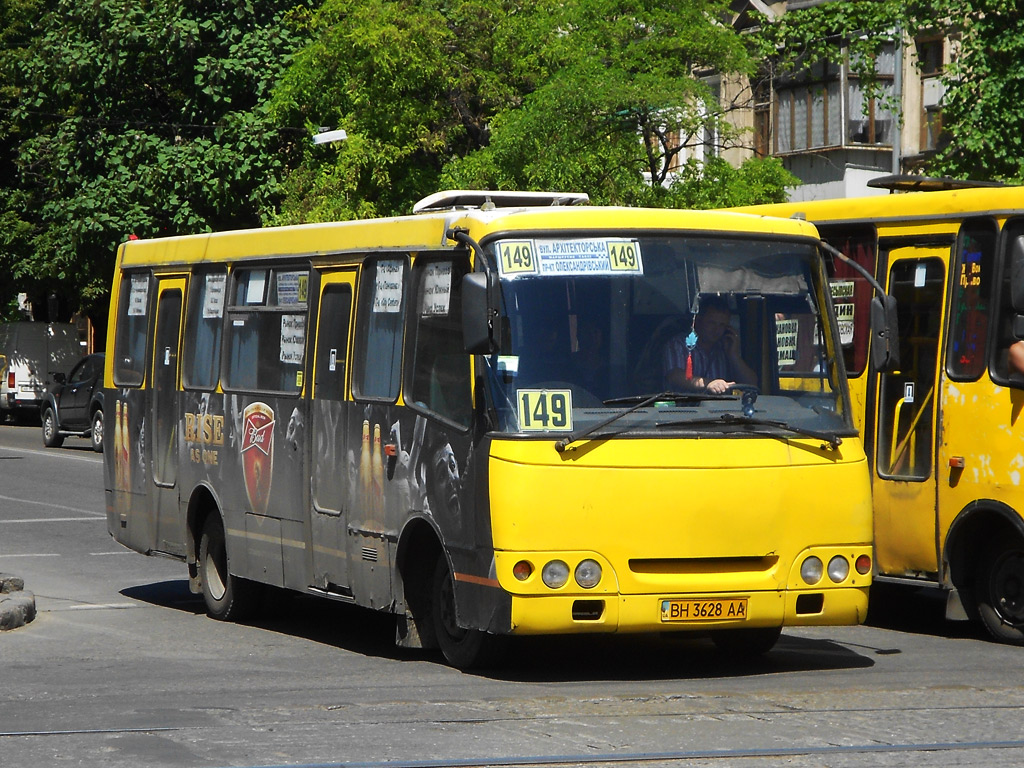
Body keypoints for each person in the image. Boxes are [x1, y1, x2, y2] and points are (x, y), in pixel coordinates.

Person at [662, 295, 756, 394]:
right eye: (712, 323)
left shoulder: (725, 347)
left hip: (721, 408)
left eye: (722, 325)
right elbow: (675, 376)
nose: (716, 329)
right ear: (698, 321)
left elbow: (751, 384)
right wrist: (709, 384)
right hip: (685, 407)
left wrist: (734, 356)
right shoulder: (679, 344)